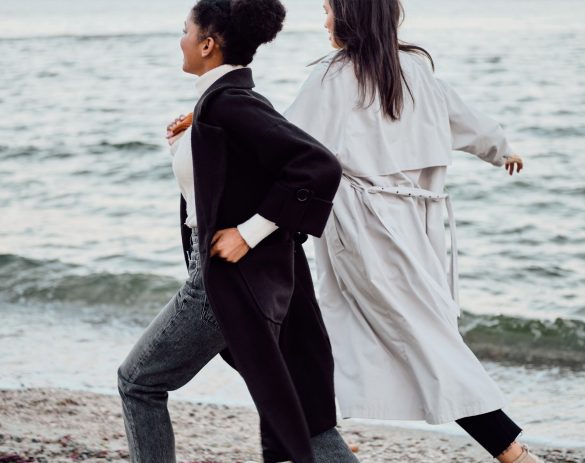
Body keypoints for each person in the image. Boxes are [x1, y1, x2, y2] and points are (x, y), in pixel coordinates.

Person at [283, 0, 542, 462]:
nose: (322, 20)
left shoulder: (338, 76)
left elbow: (283, 140)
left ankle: (512, 452)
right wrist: (500, 148)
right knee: (374, 330)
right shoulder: (411, 68)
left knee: (422, 337)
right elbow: (466, 121)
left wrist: (217, 133)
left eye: (326, 9)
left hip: (365, 230)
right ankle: (317, 433)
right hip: (410, 225)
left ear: (350, 14)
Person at [117, 1, 360, 462]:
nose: (181, 39)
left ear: (208, 44)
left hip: (225, 284)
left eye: (185, 30)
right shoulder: (221, 102)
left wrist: (248, 232)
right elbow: (251, 171)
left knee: (138, 383)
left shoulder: (229, 103)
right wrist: (192, 140)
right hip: (257, 282)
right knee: (300, 417)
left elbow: (318, 166)